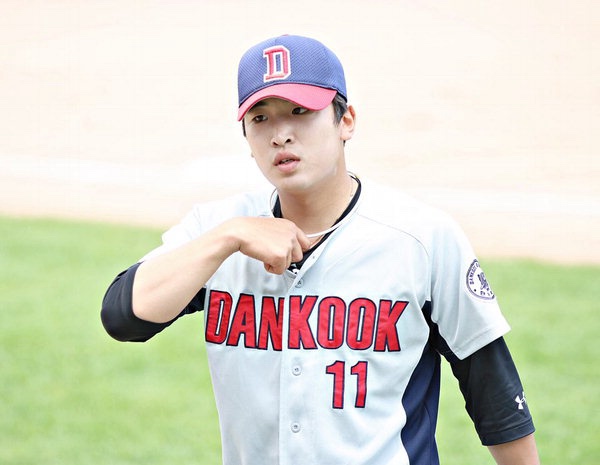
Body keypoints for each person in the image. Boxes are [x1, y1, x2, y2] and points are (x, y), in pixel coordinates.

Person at [101, 35, 540, 465]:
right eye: (260, 118)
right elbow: (124, 318)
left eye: (300, 111)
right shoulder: (214, 231)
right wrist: (227, 238)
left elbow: (494, 395)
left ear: (345, 121)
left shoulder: (421, 238)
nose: (280, 135)